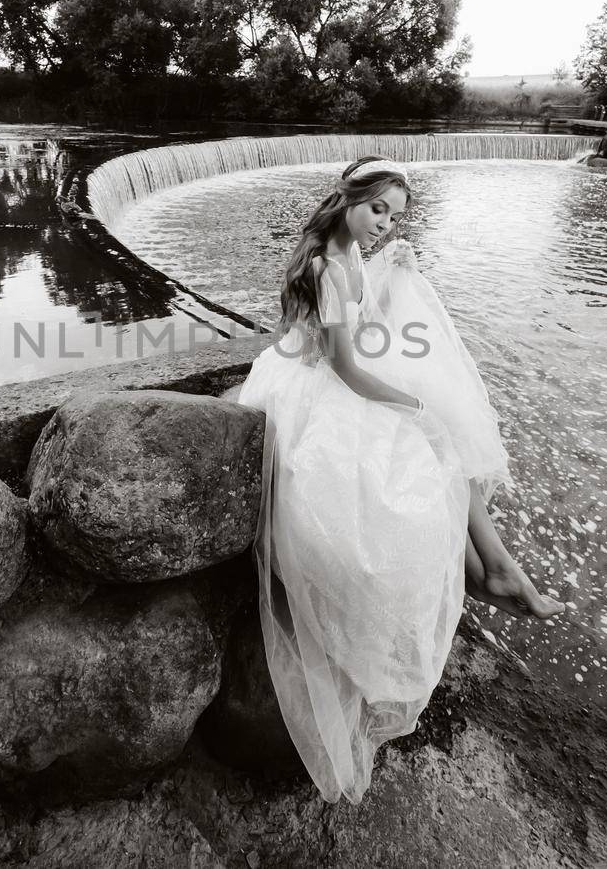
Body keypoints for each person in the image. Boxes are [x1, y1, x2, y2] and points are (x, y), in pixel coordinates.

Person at [233, 154, 569, 804]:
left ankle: (492, 566)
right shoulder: (329, 264)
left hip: (329, 371)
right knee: (433, 434)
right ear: (349, 197)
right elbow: (348, 369)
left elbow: (364, 316)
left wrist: (394, 271)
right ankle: (494, 568)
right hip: (314, 389)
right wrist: (411, 406)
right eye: (378, 208)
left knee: (443, 433)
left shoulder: (346, 250)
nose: (385, 223)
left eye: (395, 215)